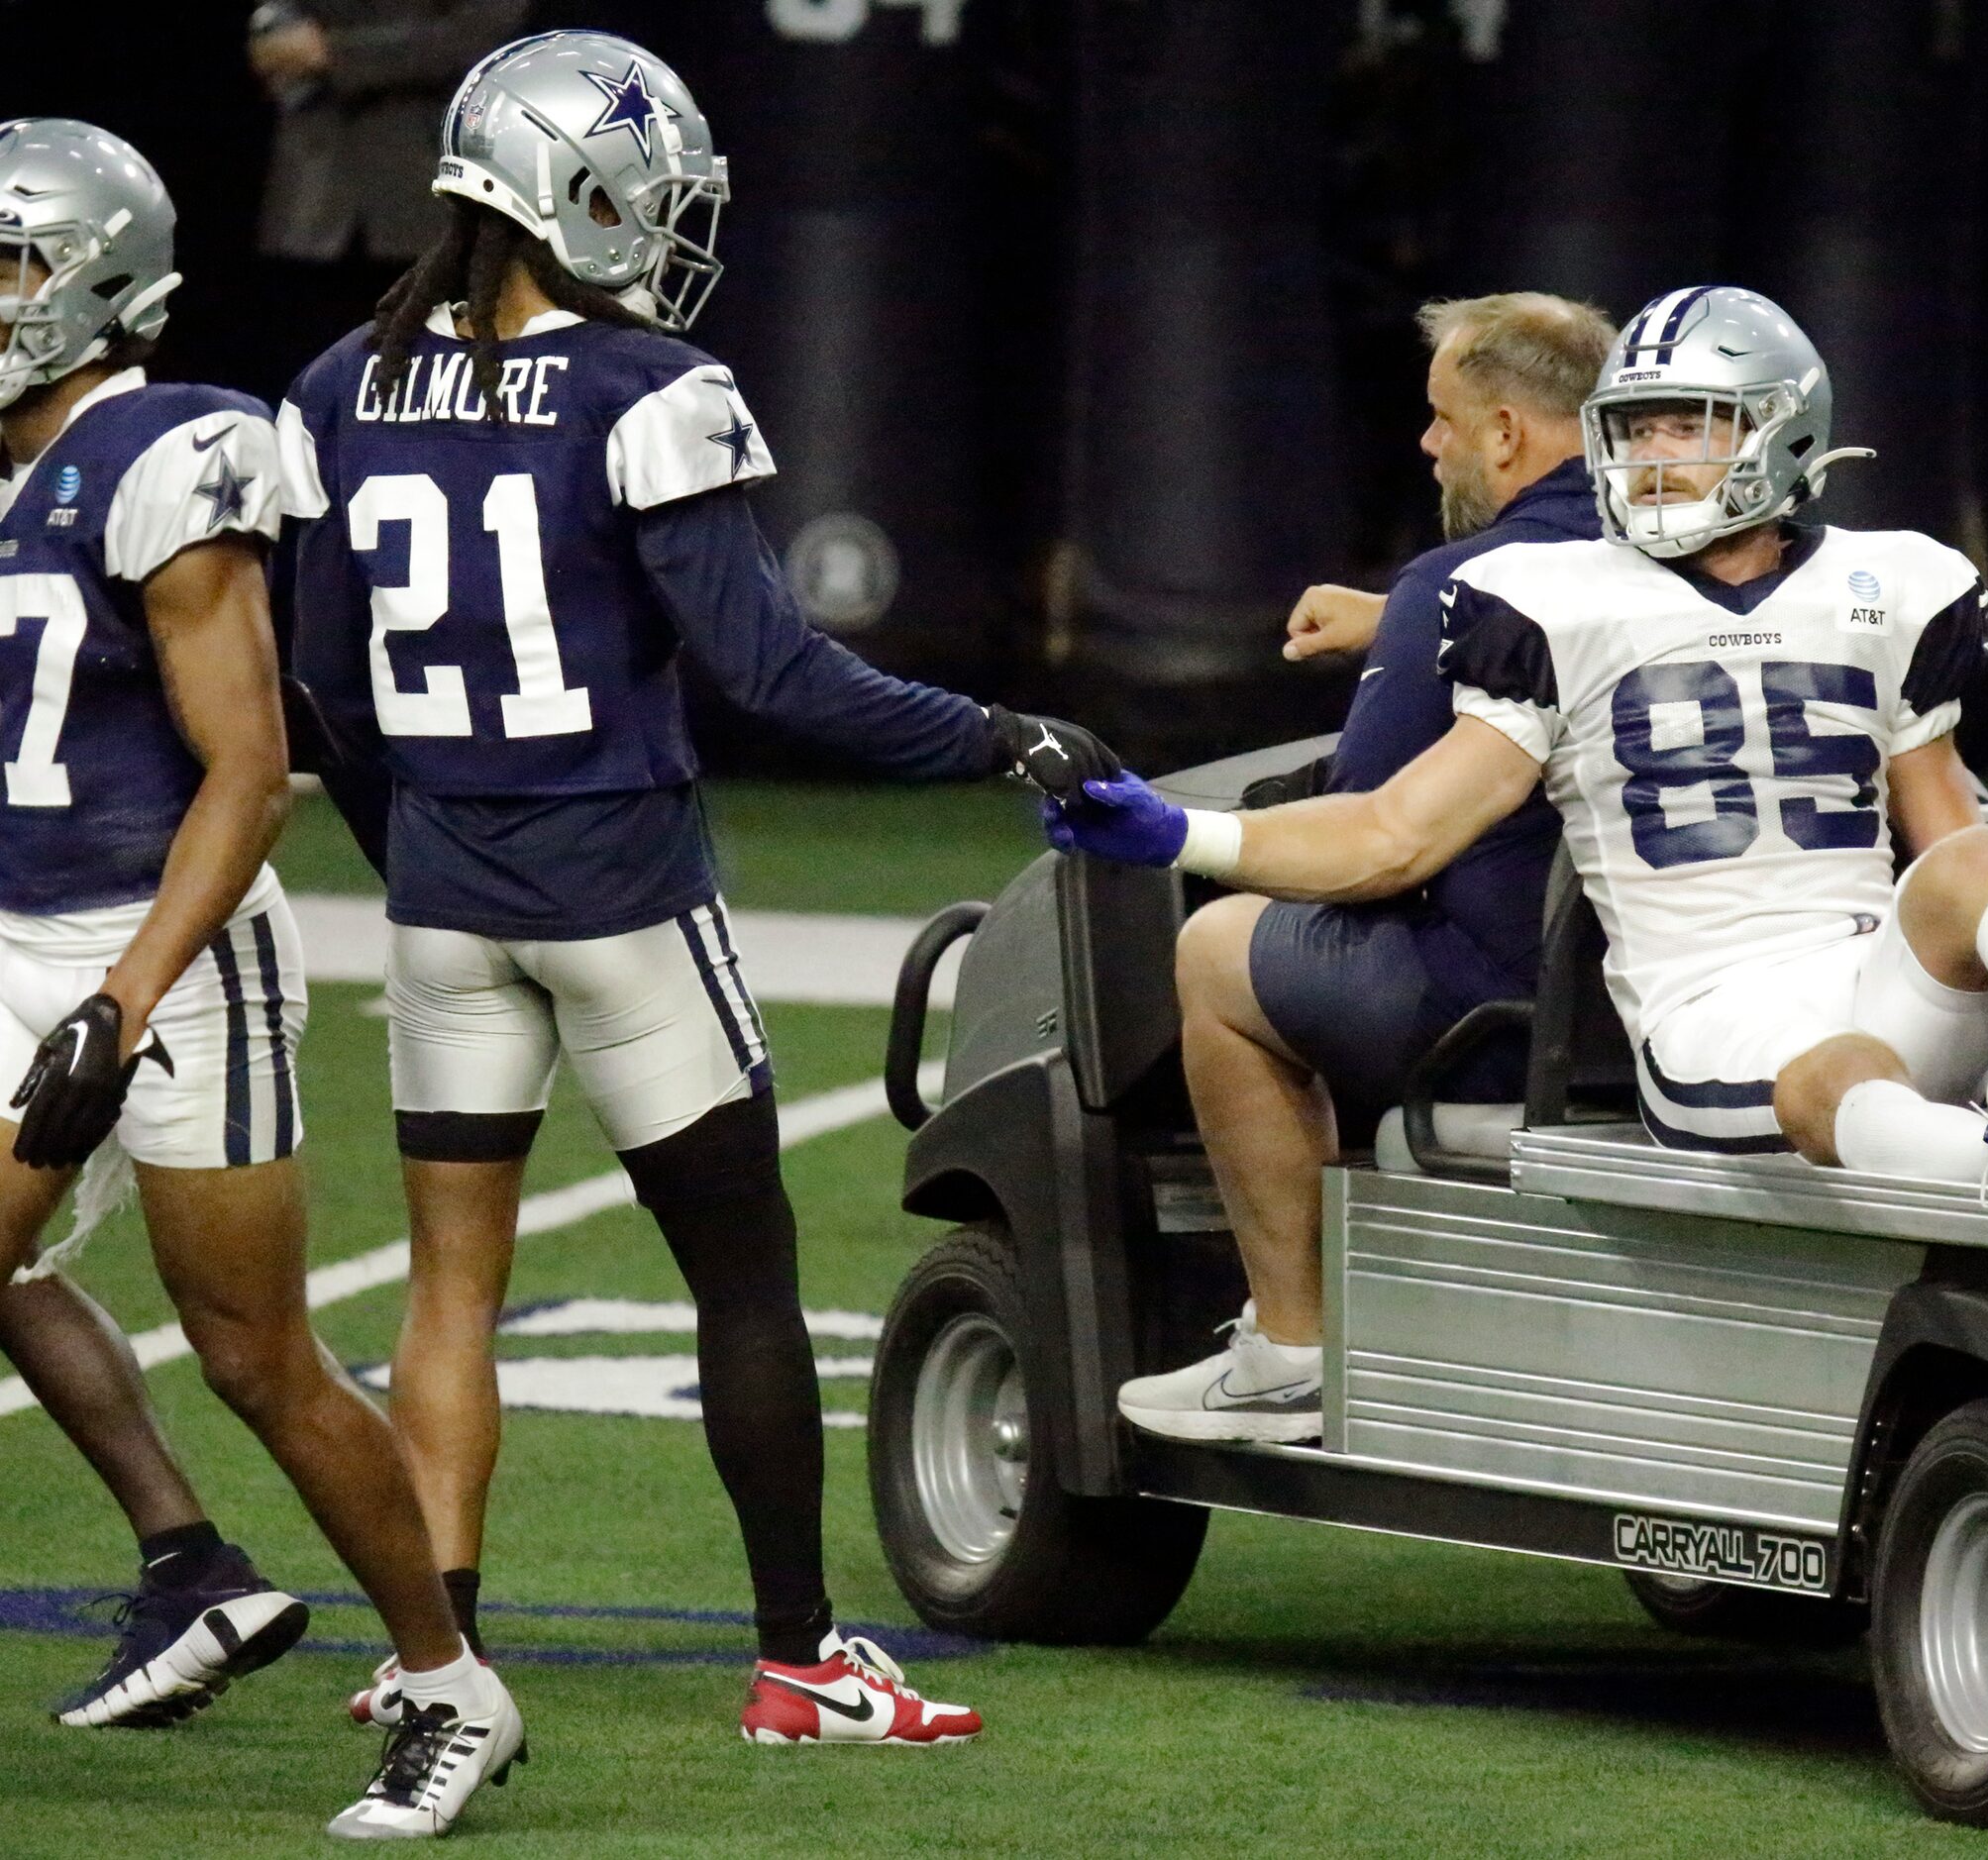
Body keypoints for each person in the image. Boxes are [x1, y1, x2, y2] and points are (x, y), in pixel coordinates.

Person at [281, 30, 1114, 1747]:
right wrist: (994, 733)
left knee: (450, 1284)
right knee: (743, 1271)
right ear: (561, 194)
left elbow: (331, 689)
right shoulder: (645, 389)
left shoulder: (335, 386)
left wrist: (425, 843)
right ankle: (801, 1653)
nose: (659, 227)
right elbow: (775, 672)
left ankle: (437, 1652)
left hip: (441, 890)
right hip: (624, 892)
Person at [1050, 286, 1988, 1441]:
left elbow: (1943, 827)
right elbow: (1394, 832)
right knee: (1829, 1073)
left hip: (1861, 967)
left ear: (1783, 432)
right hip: (1714, 1018)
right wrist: (1183, 834)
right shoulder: (1547, 599)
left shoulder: (1890, 580)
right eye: (1631, 431)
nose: (1651, 459)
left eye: (1686, 427)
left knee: (1971, 865)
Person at [0, 118, 523, 1837]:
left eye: (10, 262)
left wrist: (125, 997)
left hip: (167, 952)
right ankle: (190, 1560)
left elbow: (247, 769)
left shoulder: (164, 447)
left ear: (96, 280)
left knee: (260, 1359)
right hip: (16, 935)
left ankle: (448, 1678)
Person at [1118, 292, 1609, 1444]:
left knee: (1218, 948)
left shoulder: (1466, 587)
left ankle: (1292, 1344)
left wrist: (1182, 835)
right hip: (1677, 1005)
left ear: (1503, 432)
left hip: (1506, 1025)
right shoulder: (1710, 569)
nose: (1429, 445)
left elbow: (1368, 842)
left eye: (1443, 420)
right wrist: (1397, 617)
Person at [246, 0, 531, 408]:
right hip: (311, 201)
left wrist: (330, 52)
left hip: (424, 202)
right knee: (303, 391)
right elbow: (274, 34)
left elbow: (474, 37)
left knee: (432, 389)